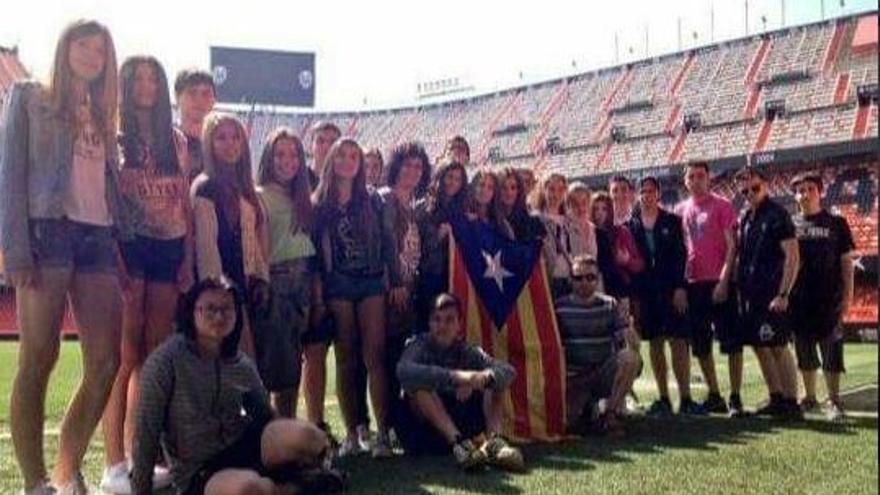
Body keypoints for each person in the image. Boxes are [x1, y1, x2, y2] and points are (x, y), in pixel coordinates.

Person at [1, 20, 125, 495]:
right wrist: (13, 248)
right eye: (83, 45)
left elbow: (106, 184)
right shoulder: (31, 96)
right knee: (39, 357)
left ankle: (65, 470)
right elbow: (9, 176)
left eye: (100, 49)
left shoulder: (103, 111)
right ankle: (36, 482)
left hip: (97, 236)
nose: (92, 55)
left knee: (105, 362)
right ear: (65, 47)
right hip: (45, 231)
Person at [131, 277, 344, 495]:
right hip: (201, 471)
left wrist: (292, 447)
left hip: (243, 445)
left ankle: (305, 480)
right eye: (209, 309)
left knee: (307, 436)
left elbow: (266, 418)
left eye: (227, 309)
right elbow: (146, 430)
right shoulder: (165, 361)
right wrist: (140, 489)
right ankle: (294, 489)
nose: (219, 316)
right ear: (192, 312)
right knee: (249, 488)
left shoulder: (239, 362)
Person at [100, 55, 191, 494]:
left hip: (169, 245)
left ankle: (142, 453)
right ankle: (112, 459)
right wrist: (115, 252)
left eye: (153, 78)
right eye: (136, 78)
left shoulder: (175, 140)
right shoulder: (111, 137)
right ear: (124, 84)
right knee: (123, 355)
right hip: (128, 245)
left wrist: (188, 256)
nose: (145, 85)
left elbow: (183, 204)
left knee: (154, 357)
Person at [312, 138, 396, 457]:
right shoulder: (320, 202)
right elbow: (317, 255)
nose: (348, 161)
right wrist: (320, 292)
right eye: (342, 156)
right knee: (346, 359)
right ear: (332, 160)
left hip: (371, 281)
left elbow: (388, 242)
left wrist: (395, 280)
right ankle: (350, 433)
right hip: (339, 284)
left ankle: (383, 434)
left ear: (360, 163)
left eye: (354, 156)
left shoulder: (372, 198)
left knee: (375, 357)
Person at [396, 293, 525, 472]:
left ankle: (494, 442)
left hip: (461, 422)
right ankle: (459, 445)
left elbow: (508, 371)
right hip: (421, 430)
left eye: (449, 320)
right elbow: (403, 370)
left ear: (459, 324)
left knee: (493, 380)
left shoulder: (467, 350)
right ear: (429, 323)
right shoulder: (417, 345)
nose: (442, 326)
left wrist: (481, 379)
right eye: (437, 320)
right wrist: (460, 378)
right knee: (419, 385)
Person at [190, 112, 269, 355]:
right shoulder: (205, 186)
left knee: (243, 364)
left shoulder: (244, 188)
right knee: (236, 362)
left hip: (242, 286)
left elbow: (251, 243)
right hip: (218, 292)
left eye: (235, 137)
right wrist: (217, 295)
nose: (230, 144)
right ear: (209, 144)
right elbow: (206, 248)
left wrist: (261, 277)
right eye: (221, 138)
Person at [253, 128, 316, 418]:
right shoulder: (258, 195)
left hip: (302, 282)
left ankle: (286, 428)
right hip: (274, 282)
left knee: (292, 365)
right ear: (268, 157)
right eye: (280, 154)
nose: (287, 161)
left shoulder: (302, 196)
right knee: (270, 365)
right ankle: (266, 432)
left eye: (293, 154)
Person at [735, 167, 801, 420]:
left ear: (766, 186)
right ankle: (776, 397)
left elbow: (792, 257)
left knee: (778, 345)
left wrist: (783, 293)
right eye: (745, 190)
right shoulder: (746, 217)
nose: (750, 193)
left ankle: (791, 402)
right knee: (760, 345)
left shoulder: (778, 214)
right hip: (751, 295)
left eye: (755, 188)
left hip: (772, 293)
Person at [628, 177, 698, 416]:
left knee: (678, 341)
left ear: (658, 194)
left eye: (650, 191)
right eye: (643, 192)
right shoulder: (632, 225)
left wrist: (681, 287)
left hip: (671, 290)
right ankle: (664, 397)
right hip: (647, 293)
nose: (646, 196)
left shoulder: (672, 221)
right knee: (655, 343)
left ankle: (686, 397)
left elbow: (682, 256)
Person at [676, 161, 742, 416]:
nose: (695, 180)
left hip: (719, 281)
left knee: (731, 342)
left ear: (709, 178)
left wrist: (725, 281)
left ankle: (735, 396)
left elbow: (732, 246)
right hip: (694, 285)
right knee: (701, 344)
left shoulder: (722, 205)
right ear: (685, 181)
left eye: (700, 176)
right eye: (691, 177)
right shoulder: (681, 209)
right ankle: (715, 394)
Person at [790, 172, 855, 421]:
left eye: (810, 189)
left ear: (820, 192)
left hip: (830, 300)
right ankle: (809, 398)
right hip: (799, 301)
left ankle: (834, 401)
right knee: (804, 352)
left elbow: (846, 263)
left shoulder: (837, 223)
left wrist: (848, 296)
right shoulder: (791, 224)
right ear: (795, 196)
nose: (805, 194)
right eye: (800, 190)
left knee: (831, 353)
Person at [380, 142, 432, 449]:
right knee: (388, 357)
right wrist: (394, 283)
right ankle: (385, 426)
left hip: (413, 288)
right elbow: (387, 242)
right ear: (396, 166)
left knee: (405, 356)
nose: (413, 171)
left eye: (418, 166)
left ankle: (404, 423)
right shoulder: (387, 199)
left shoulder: (416, 204)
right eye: (407, 164)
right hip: (394, 287)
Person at [555, 255, 642, 436]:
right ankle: (588, 409)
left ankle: (611, 414)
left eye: (590, 277)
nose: (584, 282)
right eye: (578, 278)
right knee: (568, 425)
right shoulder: (559, 308)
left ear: (598, 279)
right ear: (571, 280)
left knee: (630, 359)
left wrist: (630, 328)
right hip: (573, 380)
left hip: (602, 375)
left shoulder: (610, 305)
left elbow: (629, 343)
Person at [300, 120, 342, 442]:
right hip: (305, 278)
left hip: (339, 280)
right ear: (312, 145)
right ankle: (313, 422)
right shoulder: (301, 182)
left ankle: (337, 423)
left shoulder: (346, 184)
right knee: (311, 351)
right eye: (321, 140)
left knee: (334, 351)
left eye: (333, 141)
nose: (326, 146)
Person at [415, 160, 469, 334]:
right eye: (449, 177)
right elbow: (416, 249)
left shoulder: (463, 209)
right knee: (430, 328)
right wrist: (439, 236)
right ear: (441, 177)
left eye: (458, 179)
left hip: (454, 279)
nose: (453, 182)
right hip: (430, 278)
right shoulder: (423, 208)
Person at [591, 192, 644, 310]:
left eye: (604, 209)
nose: (599, 213)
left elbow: (639, 264)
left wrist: (627, 260)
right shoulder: (587, 232)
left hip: (619, 290)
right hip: (594, 290)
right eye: (596, 209)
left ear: (609, 211)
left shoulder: (620, 232)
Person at [531, 173, 574, 298]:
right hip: (548, 280)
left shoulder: (570, 220)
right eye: (551, 189)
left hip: (570, 279)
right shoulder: (535, 219)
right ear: (543, 190)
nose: (556, 194)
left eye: (561, 190)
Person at [173, 68, 215, 182]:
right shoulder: (167, 140)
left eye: (206, 93)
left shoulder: (221, 143)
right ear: (177, 97)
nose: (199, 100)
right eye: (192, 92)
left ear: (214, 100)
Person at [498, 167, 544, 242]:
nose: (509, 193)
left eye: (513, 188)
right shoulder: (491, 218)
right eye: (504, 187)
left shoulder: (530, 220)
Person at [566, 181, 598, 259]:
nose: (580, 208)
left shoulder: (593, 228)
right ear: (568, 205)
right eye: (575, 204)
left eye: (584, 203)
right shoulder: (564, 230)